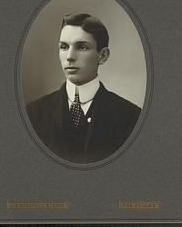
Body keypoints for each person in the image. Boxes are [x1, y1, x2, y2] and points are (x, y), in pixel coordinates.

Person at [27, 13, 141, 163]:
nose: (69, 56)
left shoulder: (131, 117)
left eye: (81, 47)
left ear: (103, 56)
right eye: (64, 47)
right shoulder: (34, 113)